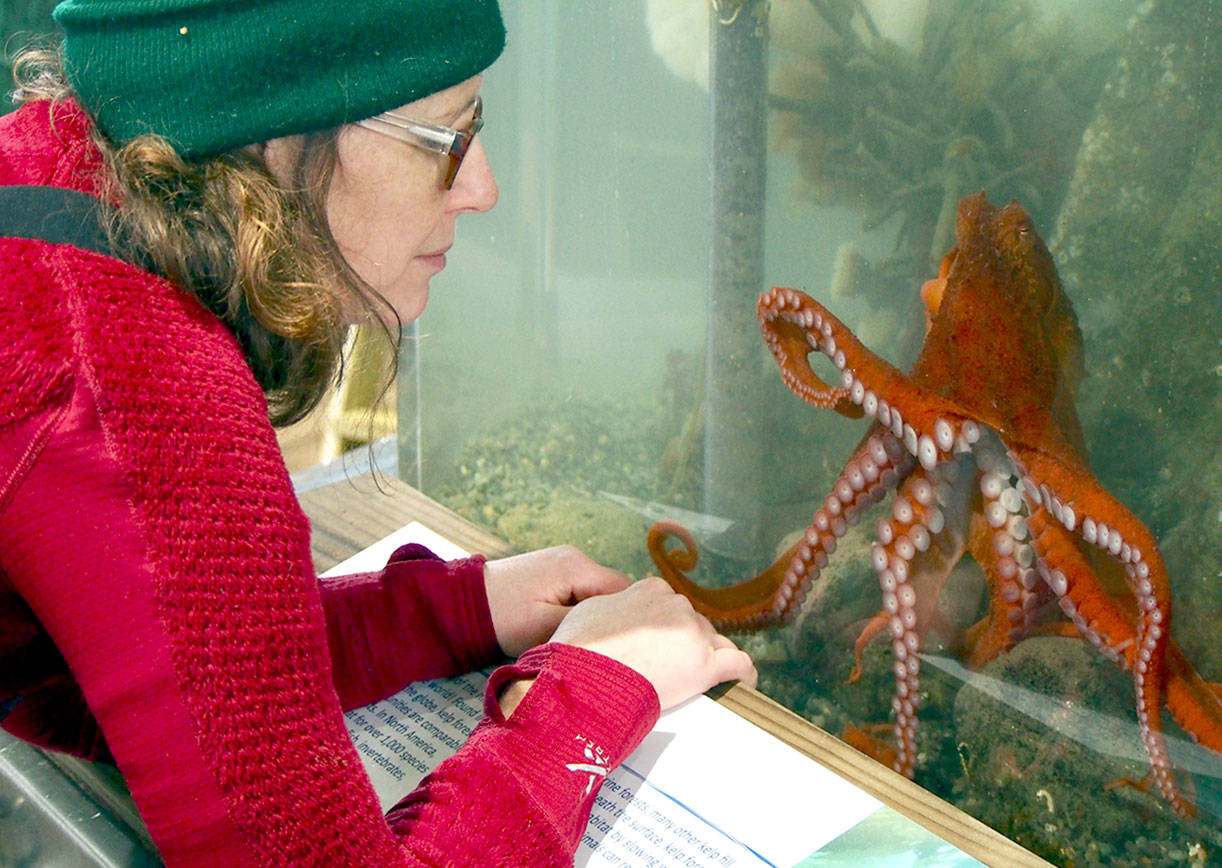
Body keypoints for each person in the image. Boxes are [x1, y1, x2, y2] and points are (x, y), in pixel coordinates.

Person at [0, 1, 757, 865]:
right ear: (271, 129)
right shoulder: (133, 376)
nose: (484, 187)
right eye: (447, 138)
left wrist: (452, 610)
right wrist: (589, 696)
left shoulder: (53, 170)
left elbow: (96, 680)